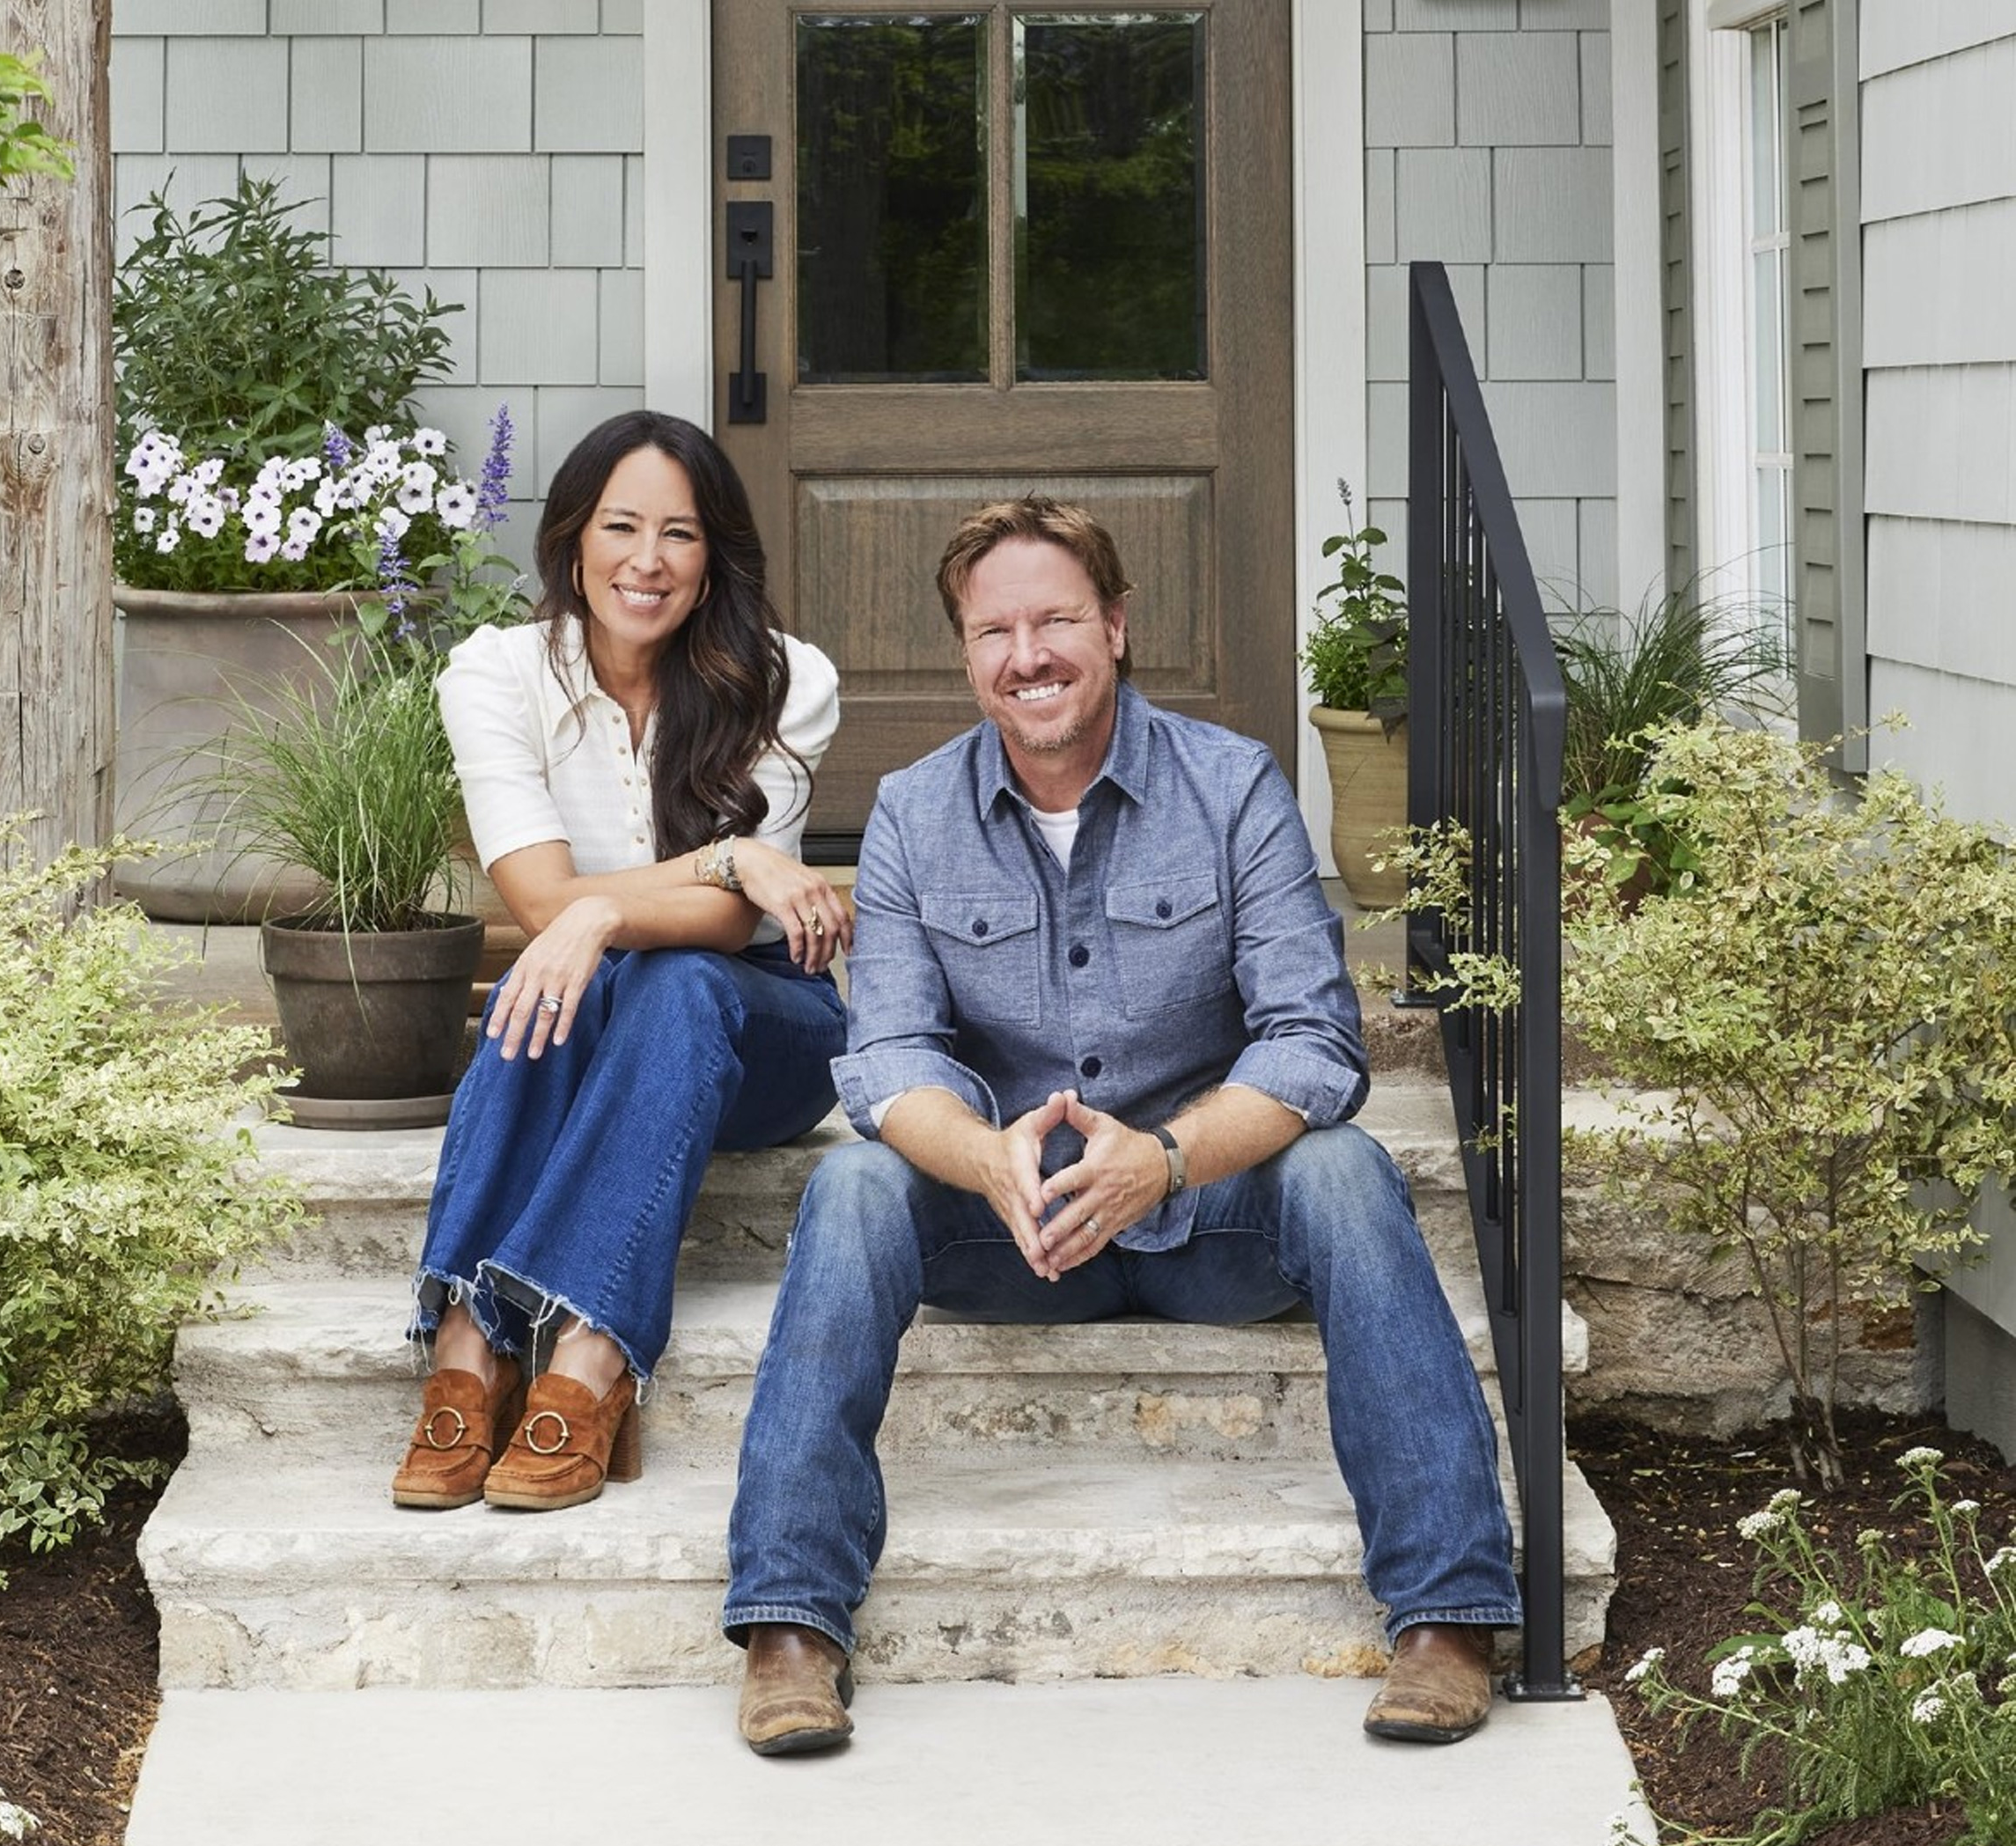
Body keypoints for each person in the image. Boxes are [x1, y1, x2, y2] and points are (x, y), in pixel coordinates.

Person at [720, 496, 1521, 1753]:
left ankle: (1448, 1613)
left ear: (1118, 626)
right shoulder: (915, 815)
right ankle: (789, 1627)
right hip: (1016, 1234)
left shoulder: (1231, 785)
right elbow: (885, 1058)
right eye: (995, 629)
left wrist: (1164, 1159)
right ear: (966, 652)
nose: (1027, 654)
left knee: (1347, 1172)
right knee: (856, 1188)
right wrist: (987, 1159)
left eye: (1056, 619)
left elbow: (1316, 1039)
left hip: (1211, 1219)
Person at [393, 410, 851, 1516]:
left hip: (766, 1037)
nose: (648, 562)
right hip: (580, 1021)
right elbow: (538, 902)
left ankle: (591, 1356)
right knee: (546, 980)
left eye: (681, 535)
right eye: (622, 527)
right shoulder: (498, 673)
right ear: (572, 540)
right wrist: (726, 857)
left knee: (673, 979)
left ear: (716, 557)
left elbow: (732, 930)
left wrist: (600, 919)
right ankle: (471, 1349)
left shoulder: (787, 680)